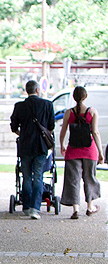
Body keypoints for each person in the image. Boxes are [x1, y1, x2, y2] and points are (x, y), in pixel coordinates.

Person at [10, 80, 55, 219]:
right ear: (37, 90)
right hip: (40, 146)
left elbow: (13, 127)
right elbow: (51, 126)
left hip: (25, 146)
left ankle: (26, 207)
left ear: (26, 91)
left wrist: (22, 134)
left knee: (27, 177)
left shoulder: (20, 106)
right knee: (38, 177)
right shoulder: (47, 105)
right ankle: (36, 209)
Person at [60, 86, 104, 219]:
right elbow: (95, 132)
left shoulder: (69, 112)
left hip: (73, 151)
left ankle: (76, 209)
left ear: (74, 97)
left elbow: (63, 131)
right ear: (85, 97)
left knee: (73, 180)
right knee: (89, 177)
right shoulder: (92, 111)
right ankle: (90, 207)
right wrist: (101, 153)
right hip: (89, 151)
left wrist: (62, 145)